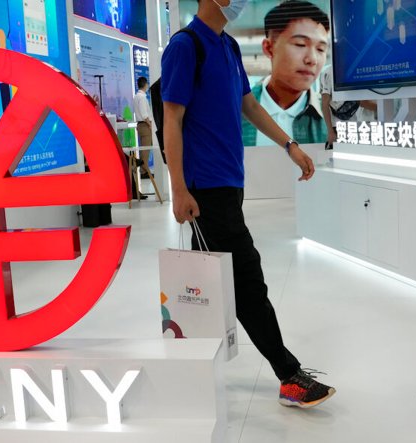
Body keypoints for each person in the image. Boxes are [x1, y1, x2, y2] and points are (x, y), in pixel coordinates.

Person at [162, 0, 335, 408]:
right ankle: (288, 375)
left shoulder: (227, 46)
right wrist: (179, 189)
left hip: (229, 185)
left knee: (212, 285)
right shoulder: (185, 46)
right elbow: (172, 119)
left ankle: (191, 369)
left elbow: (250, 106)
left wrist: (289, 145)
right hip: (205, 190)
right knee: (247, 283)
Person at [240, 1, 330, 147]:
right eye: (300, 44)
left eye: (321, 49)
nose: (312, 59)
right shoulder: (234, 111)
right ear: (269, 48)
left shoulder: (332, 117)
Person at [320, 65, 377, 148]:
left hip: (354, 124)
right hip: (338, 126)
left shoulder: (355, 69)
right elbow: (324, 103)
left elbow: (360, 100)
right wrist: (330, 131)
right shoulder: (328, 73)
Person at [133, 77, 154, 177]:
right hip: (145, 125)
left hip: (141, 125)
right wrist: (150, 125)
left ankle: (142, 169)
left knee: (144, 149)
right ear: (145, 85)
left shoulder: (136, 97)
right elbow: (144, 114)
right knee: (146, 149)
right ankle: (144, 170)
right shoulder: (142, 97)